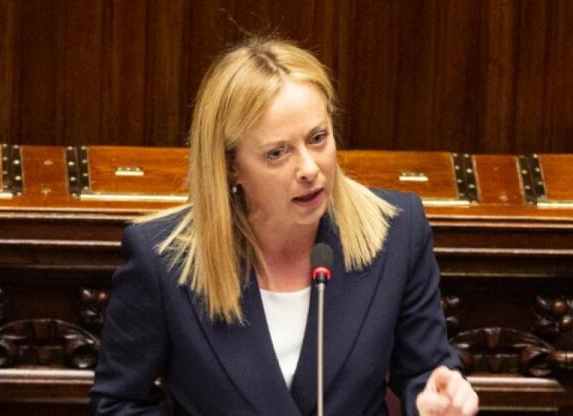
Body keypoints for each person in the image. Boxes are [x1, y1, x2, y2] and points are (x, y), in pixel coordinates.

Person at [90, 37, 478, 415]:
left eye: (318, 138)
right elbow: (119, 402)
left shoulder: (396, 231)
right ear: (230, 166)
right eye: (277, 153)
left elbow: (425, 372)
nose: (309, 168)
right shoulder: (163, 259)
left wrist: (437, 401)